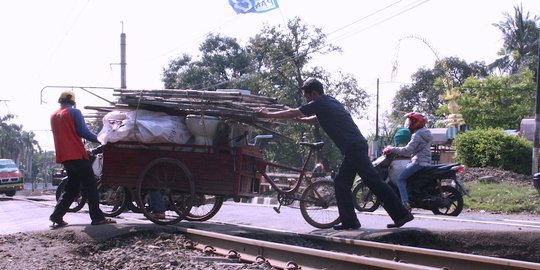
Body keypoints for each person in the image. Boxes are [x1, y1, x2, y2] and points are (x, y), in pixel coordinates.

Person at [258, 78, 413, 230]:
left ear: (313, 93)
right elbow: (314, 120)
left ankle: (400, 214)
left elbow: (294, 112)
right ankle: (351, 221)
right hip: (354, 147)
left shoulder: (320, 102)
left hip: (354, 147)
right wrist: (299, 120)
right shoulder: (329, 102)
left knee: (373, 182)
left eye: (306, 96)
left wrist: (267, 115)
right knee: (342, 183)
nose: (306, 99)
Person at [49, 91, 116, 227]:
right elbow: (82, 131)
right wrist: (101, 140)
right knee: (90, 185)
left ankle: (56, 215)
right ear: (73, 102)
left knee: (72, 187)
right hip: (77, 154)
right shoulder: (74, 112)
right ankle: (97, 217)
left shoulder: (53, 116)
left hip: (65, 157)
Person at [383, 112, 433, 211]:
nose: (408, 123)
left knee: (400, 179)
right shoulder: (426, 132)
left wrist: (392, 149)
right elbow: (413, 150)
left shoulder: (417, 135)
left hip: (418, 162)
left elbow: (407, 150)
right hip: (425, 161)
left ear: (416, 122)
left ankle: (405, 203)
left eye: (410, 121)